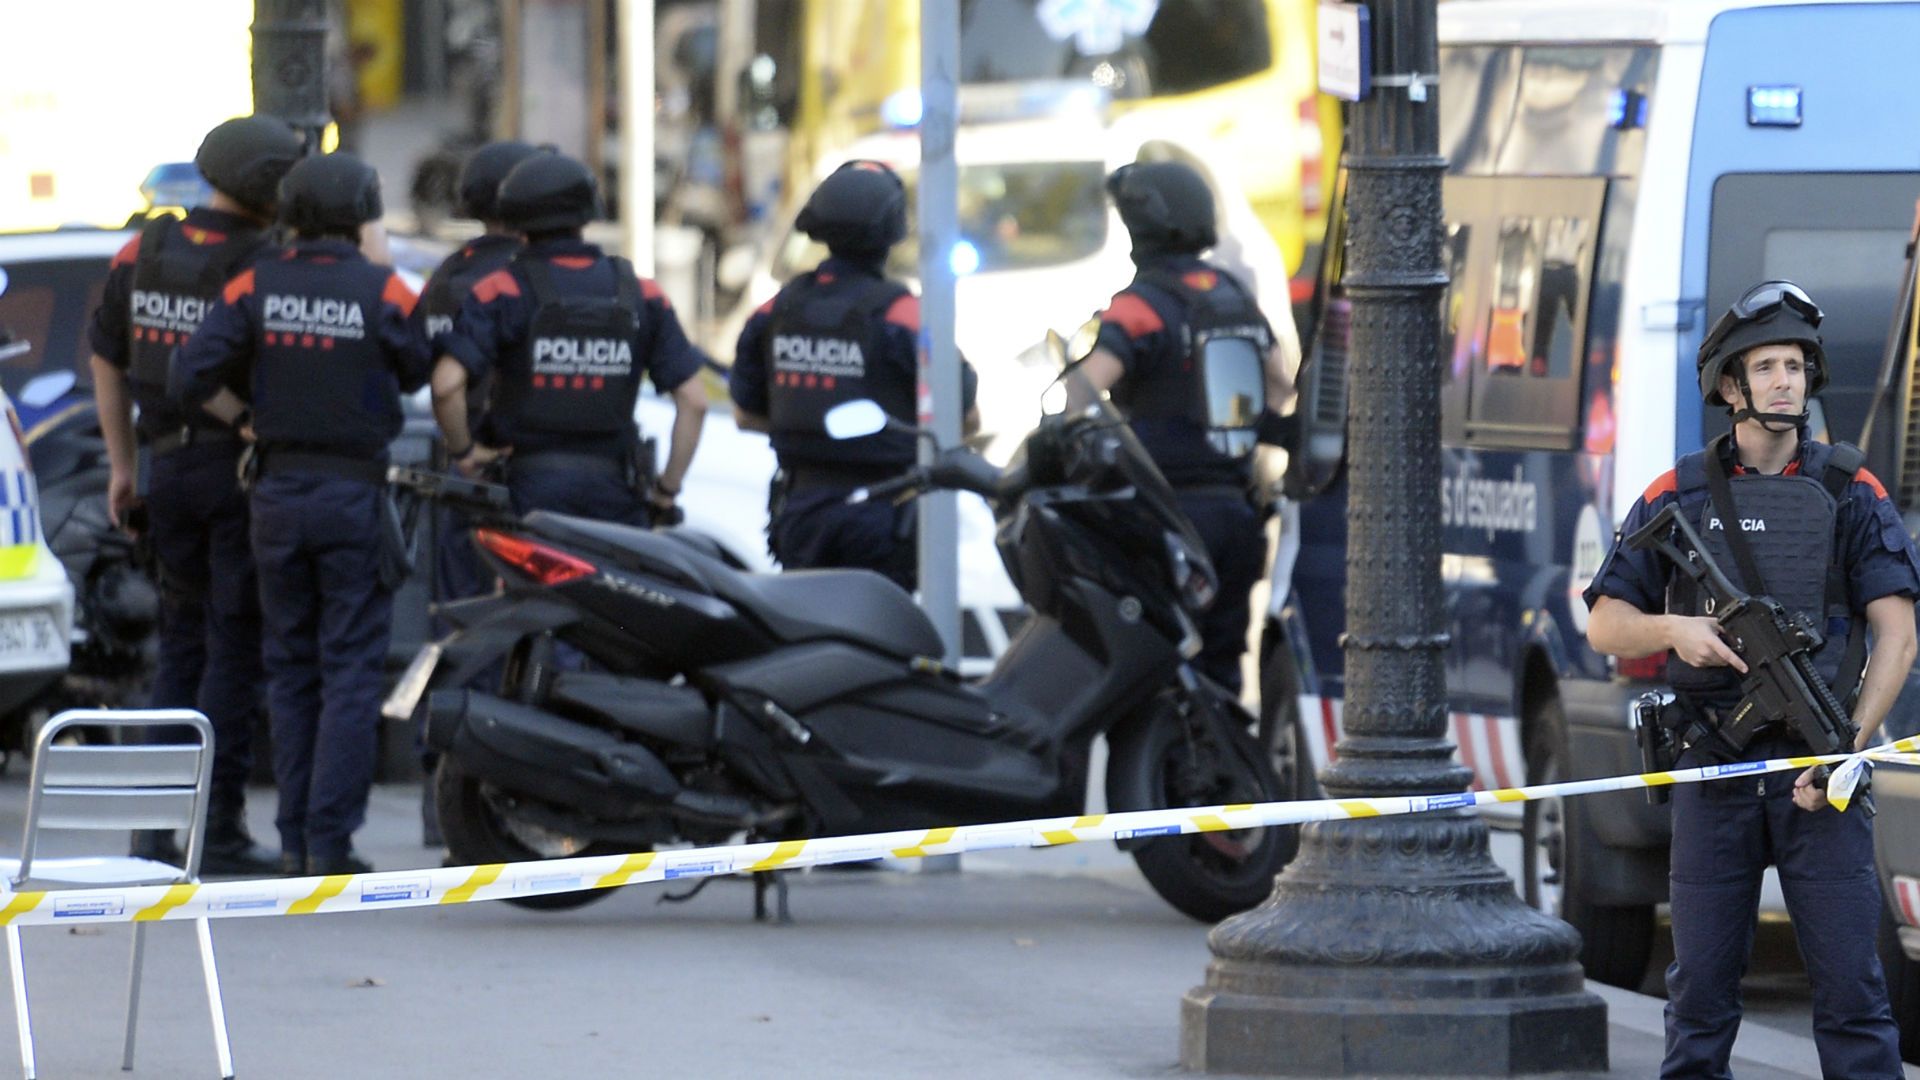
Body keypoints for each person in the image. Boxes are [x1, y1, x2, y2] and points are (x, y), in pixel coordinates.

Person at [1584, 280, 1919, 1079]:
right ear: (1730, 386)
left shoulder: (1851, 489)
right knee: (1699, 1002)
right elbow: (1603, 620)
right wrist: (1676, 631)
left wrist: (1846, 751)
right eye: (1765, 366)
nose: (1784, 381)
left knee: (1853, 1000)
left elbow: (1898, 636)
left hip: (1821, 780)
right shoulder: (1680, 493)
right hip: (1714, 770)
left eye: (1796, 366)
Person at [175, 151, 432, 876]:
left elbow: (190, 373)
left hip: (276, 497)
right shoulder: (383, 289)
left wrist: (246, 418)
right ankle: (329, 842)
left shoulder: (256, 281)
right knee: (350, 668)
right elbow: (419, 367)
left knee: (289, 668)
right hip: (352, 495)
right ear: (361, 214)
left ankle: (290, 840)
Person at [86, 115, 304, 875]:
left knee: (179, 647)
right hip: (238, 472)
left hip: (166, 473)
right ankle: (216, 827)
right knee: (233, 650)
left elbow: (106, 359)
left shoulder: (142, 249)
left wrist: (123, 467)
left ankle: (153, 832)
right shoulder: (269, 261)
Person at [1069, 161, 1296, 693]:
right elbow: (1281, 386)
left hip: (1166, 516)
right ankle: (1222, 761)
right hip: (1238, 513)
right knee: (1223, 658)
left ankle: (1164, 763)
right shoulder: (1231, 294)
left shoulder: (1140, 305)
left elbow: (1086, 388)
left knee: (1163, 658)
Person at [729, 160, 980, 591]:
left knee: (809, 638)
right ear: (892, 233)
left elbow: (745, 415)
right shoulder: (907, 316)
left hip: (802, 513)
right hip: (884, 516)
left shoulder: (777, 310)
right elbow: (966, 420)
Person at [432, 152, 707, 525]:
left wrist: (464, 453)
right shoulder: (642, 293)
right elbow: (694, 400)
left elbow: (446, 385)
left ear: (516, 217)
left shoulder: (501, 290)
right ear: (589, 213)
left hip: (526, 495)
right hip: (616, 497)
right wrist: (665, 492)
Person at [410, 139, 541, 847]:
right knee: (527, 630)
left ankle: (443, 800)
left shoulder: (445, 277)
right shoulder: (525, 278)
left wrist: (457, 453)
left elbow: (420, 367)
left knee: (454, 631)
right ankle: (500, 798)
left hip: (452, 473)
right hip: (511, 467)